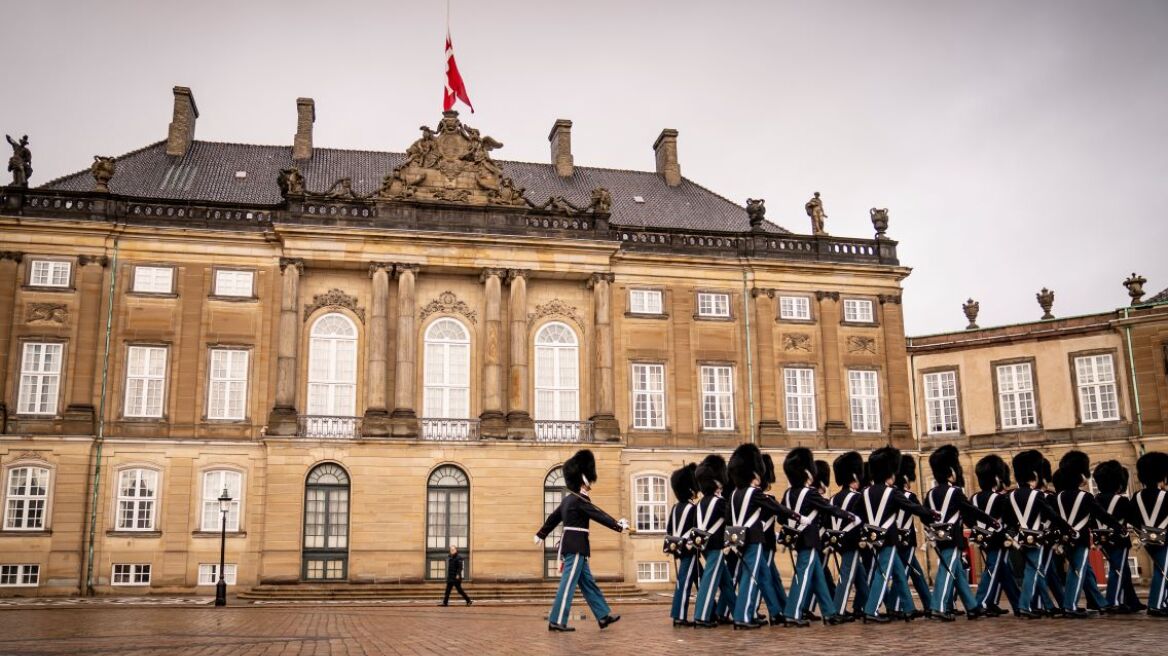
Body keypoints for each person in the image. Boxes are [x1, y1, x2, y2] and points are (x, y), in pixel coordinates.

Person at [536, 449, 629, 632]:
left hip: (576, 546)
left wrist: (541, 534)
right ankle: (556, 620)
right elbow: (598, 515)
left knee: (588, 583)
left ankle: (602, 616)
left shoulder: (569, 500)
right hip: (576, 546)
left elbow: (553, 518)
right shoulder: (579, 500)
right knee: (568, 584)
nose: (590, 484)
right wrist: (618, 525)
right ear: (583, 479)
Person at [725, 443, 801, 630]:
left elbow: (729, 518)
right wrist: (797, 516)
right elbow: (775, 507)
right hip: (754, 540)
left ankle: (775, 613)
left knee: (764, 577)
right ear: (754, 473)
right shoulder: (754, 492)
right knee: (750, 578)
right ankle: (743, 616)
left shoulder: (735, 493)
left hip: (738, 538)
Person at [860, 447, 938, 623]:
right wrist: (930, 513)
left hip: (873, 537)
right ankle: (871, 610)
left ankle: (908, 608)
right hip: (888, 538)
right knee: (883, 574)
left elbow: (858, 515)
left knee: (899, 574)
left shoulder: (865, 492)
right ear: (890, 473)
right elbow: (911, 507)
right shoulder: (892, 492)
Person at [780, 447, 856, 627]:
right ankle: (792, 613)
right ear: (807, 472)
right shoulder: (810, 493)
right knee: (803, 576)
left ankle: (829, 613)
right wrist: (850, 516)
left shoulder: (788, 493)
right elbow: (829, 508)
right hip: (810, 539)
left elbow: (782, 516)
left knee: (819, 577)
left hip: (798, 539)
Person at [924, 445, 997, 621]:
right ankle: (938, 607)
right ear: (951, 471)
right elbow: (970, 510)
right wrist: (990, 521)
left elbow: (924, 514)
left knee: (957, 573)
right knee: (947, 571)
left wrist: (934, 528)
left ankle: (972, 607)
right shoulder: (955, 492)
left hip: (939, 538)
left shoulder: (931, 493)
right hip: (953, 538)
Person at [1051, 464, 1123, 617]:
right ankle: (1070, 606)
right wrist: (1117, 525)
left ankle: (1100, 603)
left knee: (1085, 570)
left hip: (1064, 539)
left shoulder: (1057, 497)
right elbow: (1101, 515)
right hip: (1081, 539)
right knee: (1076, 571)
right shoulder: (1085, 497)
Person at [1008, 450, 1073, 619]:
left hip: (1021, 537)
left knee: (1035, 570)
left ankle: (1044, 605)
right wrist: (1067, 529)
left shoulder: (1012, 495)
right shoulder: (1037, 494)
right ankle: (1025, 606)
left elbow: (1009, 518)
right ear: (1035, 474)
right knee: (1033, 570)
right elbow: (1051, 515)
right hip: (1037, 537)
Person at [971, 454, 1020, 616]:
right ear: (997, 479)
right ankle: (982, 602)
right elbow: (1011, 520)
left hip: (981, 537)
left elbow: (969, 518)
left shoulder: (974, 498)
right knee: (993, 569)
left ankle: (1017, 603)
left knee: (1004, 570)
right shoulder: (1001, 499)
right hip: (999, 538)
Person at [1092, 460, 1143, 613]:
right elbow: (1133, 519)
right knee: (1117, 570)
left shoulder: (1096, 499)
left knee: (1122, 569)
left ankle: (1131, 600)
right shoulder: (1122, 500)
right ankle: (1112, 601)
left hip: (1101, 538)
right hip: (1118, 539)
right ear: (1118, 483)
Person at [692, 455, 735, 628]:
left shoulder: (700, 504)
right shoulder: (720, 502)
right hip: (716, 546)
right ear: (717, 482)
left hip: (703, 545)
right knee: (709, 581)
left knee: (727, 584)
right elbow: (731, 521)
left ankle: (740, 613)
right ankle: (701, 616)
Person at [830, 451, 869, 620]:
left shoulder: (833, 498)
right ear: (854, 476)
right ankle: (838, 610)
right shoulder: (857, 497)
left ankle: (864, 606)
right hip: (852, 541)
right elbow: (864, 520)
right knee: (846, 575)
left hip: (837, 539)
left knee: (860, 576)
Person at [892, 454, 932, 618]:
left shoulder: (890, 493)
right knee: (903, 574)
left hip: (895, 537)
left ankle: (929, 604)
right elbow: (923, 514)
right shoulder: (908, 496)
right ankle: (894, 606)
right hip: (907, 538)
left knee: (916, 572)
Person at [1133, 451, 1168, 616]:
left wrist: (1142, 532)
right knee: (1163, 571)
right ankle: (1155, 605)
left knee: (1160, 568)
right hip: (1165, 538)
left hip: (1146, 538)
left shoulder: (1137, 496)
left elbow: (1131, 517)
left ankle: (1163, 600)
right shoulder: (1165, 495)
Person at [756, 454, 790, 625]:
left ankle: (783, 607)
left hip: (764, 542)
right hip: (764, 543)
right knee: (764, 578)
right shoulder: (767, 500)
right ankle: (772, 611)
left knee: (774, 577)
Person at [666, 463, 700, 626]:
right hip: (690, 549)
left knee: (699, 581)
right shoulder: (692, 508)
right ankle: (679, 616)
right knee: (685, 583)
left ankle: (711, 609)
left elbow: (669, 529)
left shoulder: (675, 507)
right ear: (691, 489)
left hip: (677, 548)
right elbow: (696, 530)